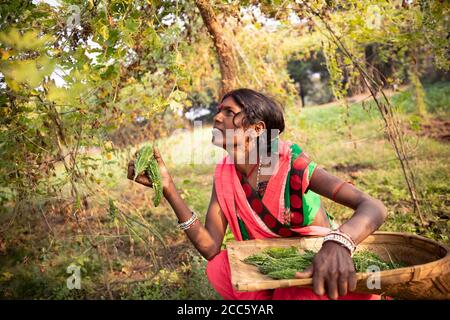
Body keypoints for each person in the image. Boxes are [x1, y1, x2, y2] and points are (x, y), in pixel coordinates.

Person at [127, 88, 388, 300]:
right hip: (273, 263)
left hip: (314, 264)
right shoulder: (225, 175)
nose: (217, 118)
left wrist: (337, 245)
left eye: (230, 112)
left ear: (257, 129)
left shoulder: (291, 164)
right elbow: (210, 247)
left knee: (294, 294)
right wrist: (169, 188)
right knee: (220, 267)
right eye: (219, 111)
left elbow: (372, 207)